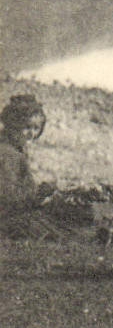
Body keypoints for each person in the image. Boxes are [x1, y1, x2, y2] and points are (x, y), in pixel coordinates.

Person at [1, 93, 47, 236]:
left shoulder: (16, 149)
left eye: (36, 128)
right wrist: (39, 195)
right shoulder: (8, 154)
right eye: (27, 127)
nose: (31, 134)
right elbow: (8, 198)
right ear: (13, 125)